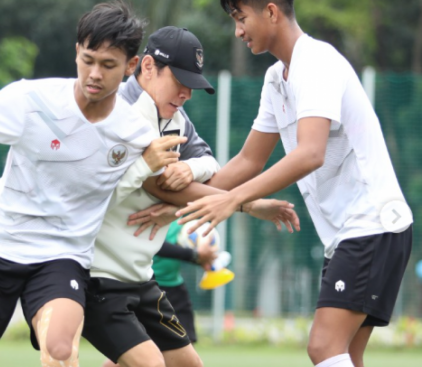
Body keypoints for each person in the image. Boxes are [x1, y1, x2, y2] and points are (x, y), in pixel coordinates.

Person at [0, 3, 186, 367]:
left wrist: (241, 201)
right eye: (87, 59)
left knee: (59, 352)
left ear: (130, 67)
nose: (94, 73)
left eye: (108, 65)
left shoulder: (135, 132)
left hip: (60, 258)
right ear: (76, 52)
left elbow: (166, 186)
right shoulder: (32, 100)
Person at [174, 1, 414, 367]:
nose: (238, 31)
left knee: (323, 346)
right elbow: (248, 161)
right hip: (350, 234)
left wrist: (232, 199)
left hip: (372, 224)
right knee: (346, 353)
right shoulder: (275, 80)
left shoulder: (316, 63)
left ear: (271, 12)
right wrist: (183, 199)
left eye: (241, 18)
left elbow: (310, 154)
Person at [82, 26, 299, 367]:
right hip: (97, 273)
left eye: (192, 84)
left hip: (138, 275)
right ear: (149, 67)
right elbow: (157, 185)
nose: (186, 93)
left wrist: (190, 169)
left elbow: (209, 165)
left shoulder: (174, 118)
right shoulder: (120, 111)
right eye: (180, 81)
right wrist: (251, 205)